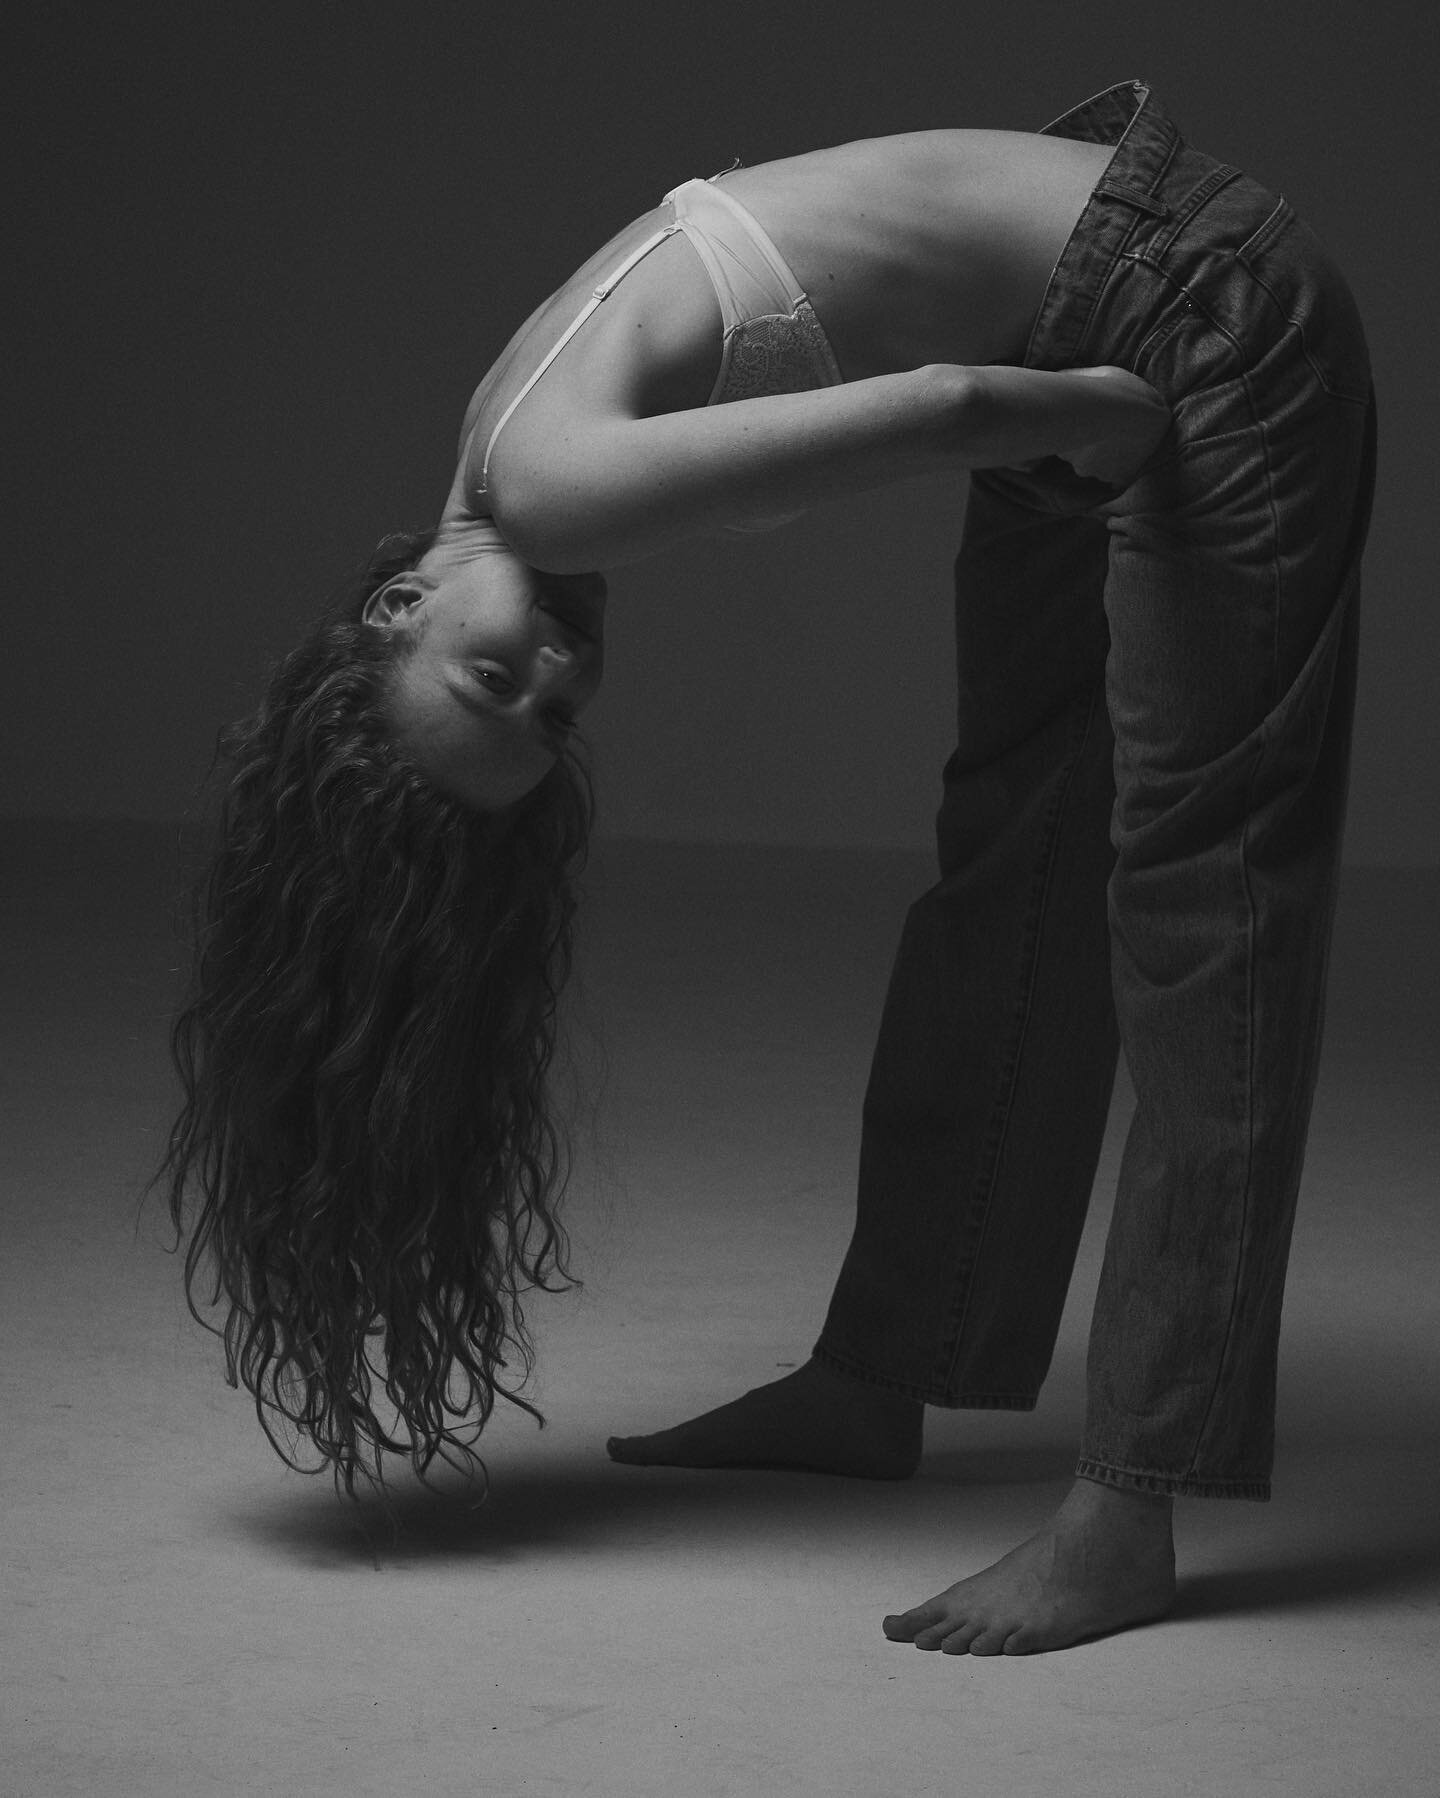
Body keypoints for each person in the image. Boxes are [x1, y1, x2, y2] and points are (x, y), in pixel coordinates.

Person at [160, 80, 1375, 1655]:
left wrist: (1145, 435)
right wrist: (1091, 424)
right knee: (1016, 843)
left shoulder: (545, 486)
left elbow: (944, 405)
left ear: (392, 608)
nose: (552, 673)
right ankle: (879, 1375)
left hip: (1193, 316)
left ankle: (1128, 1514)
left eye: (490, 680)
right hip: (1100, 309)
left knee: (1203, 911)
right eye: (547, 715)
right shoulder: (500, 426)